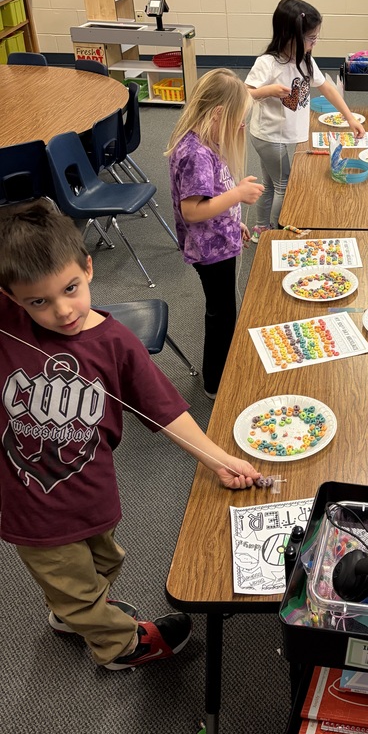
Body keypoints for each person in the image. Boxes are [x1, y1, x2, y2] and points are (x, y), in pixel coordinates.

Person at [0, 199, 262, 670]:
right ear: (14, 298)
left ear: (88, 267)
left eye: (70, 288)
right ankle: (119, 646)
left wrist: (218, 459)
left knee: (103, 563)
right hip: (31, 507)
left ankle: (73, 610)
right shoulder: (9, 323)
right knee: (74, 584)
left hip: (92, 492)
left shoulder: (116, 342)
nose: (62, 310)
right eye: (38, 301)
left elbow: (165, 411)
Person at [166, 68, 263, 400]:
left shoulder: (206, 142)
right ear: (218, 113)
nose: (240, 128)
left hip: (219, 240)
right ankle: (216, 382)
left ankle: (222, 372)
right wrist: (237, 196)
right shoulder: (196, 153)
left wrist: (234, 220)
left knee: (224, 310)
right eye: (237, 121)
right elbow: (193, 210)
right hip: (210, 252)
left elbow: (213, 196)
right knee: (221, 314)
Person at [245, 0, 365, 231]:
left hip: (279, 134)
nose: (314, 43)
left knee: (270, 184)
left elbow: (327, 88)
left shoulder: (305, 60)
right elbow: (244, 93)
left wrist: (349, 117)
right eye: (311, 38)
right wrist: (268, 91)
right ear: (290, 36)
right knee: (284, 185)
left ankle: (261, 228)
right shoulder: (268, 63)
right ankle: (278, 232)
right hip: (269, 136)